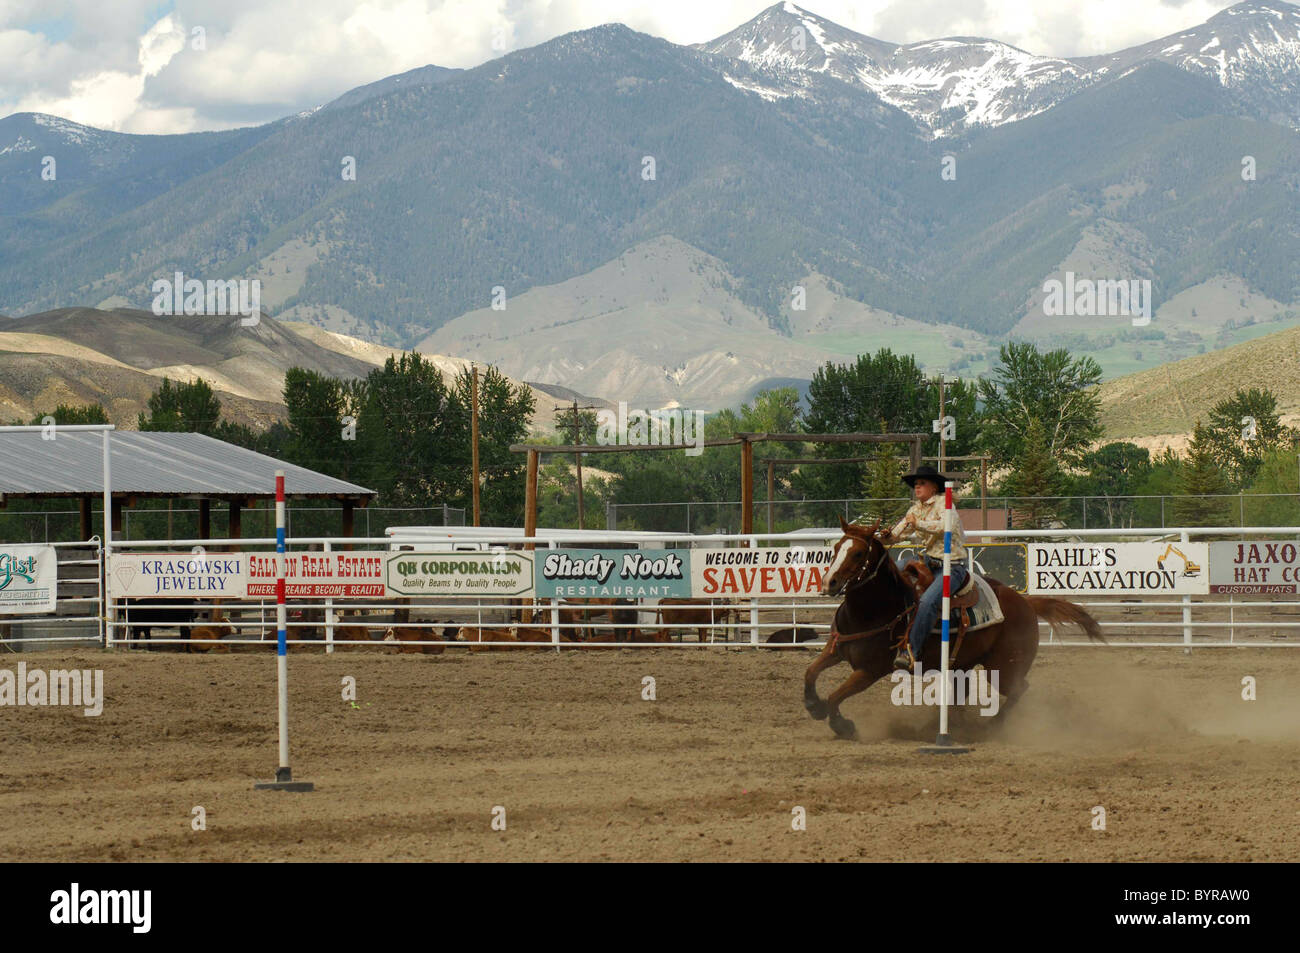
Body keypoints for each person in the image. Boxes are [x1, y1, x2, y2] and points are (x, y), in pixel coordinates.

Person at [878, 465, 968, 671]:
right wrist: (887, 537)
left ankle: (911, 651)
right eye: (916, 484)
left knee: (927, 602)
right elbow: (898, 533)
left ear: (933, 487)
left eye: (922, 483)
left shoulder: (945, 504)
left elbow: (945, 527)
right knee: (894, 572)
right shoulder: (915, 510)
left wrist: (917, 524)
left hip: (951, 566)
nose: (917, 488)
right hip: (929, 562)